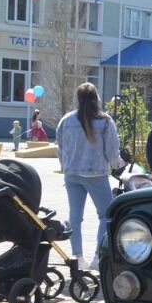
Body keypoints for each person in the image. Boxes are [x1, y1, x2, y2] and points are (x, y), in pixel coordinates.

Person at [56, 83, 124, 268]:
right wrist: (118, 164)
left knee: (75, 217)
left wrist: (65, 167)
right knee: (106, 215)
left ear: (77, 98)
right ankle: (97, 256)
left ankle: (77, 258)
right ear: (97, 98)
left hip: (72, 174)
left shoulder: (66, 120)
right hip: (96, 174)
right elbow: (111, 151)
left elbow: (60, 148)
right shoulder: (104, 121)